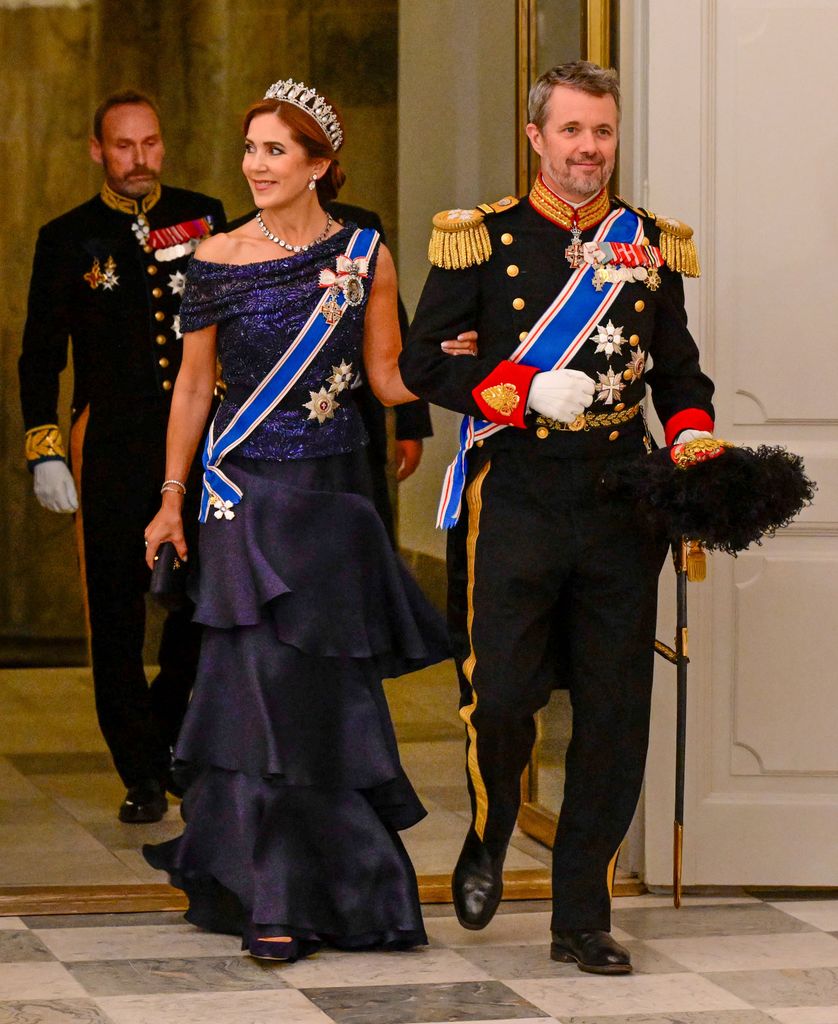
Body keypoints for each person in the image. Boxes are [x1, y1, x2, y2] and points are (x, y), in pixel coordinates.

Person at [399, 61, 715, 975]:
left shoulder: (649, 244)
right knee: (500, 697)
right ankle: (492, 829)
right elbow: (425, 364)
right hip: (521, 493)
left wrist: (692, 445)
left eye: (602, 133)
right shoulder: (482, 237)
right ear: (536, 137)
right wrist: (525, 386)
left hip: (622, 498)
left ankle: (582, 913)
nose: (588, 150)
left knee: (615, 714)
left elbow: (679, 372)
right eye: (571, 131)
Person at [141, 78, 452, 962]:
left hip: (332, 502)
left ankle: (351, 893)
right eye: (250, 149)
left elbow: (390, 379)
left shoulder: (366, 254)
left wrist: (472, 372)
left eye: (276, 150)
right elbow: (194, 388)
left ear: (320, 164)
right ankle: (270, 899)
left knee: (327, 703)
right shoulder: (216, 258)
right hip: (244, 499)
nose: (256, 165)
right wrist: (171, 499)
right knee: (261, 696)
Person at [18, 90, 226, 824]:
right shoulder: (68, 237)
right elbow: (40, 354)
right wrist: (45, 448)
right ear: (97, 151)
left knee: (202, 606)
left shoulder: (208, 218)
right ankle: (139, 770)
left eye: (151, 143)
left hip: (198, 441)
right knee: (113, 613)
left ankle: (166, 734)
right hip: (109, 443)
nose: (140, 159)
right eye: (124, 146)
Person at [227, 200, 442, 542]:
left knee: (354, 546)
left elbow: (390, 330)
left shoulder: (359, 232)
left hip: (349, 417)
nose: (258, 166)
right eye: (253, 150)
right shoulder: (232, 238)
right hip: (265, 428)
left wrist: (411, 420)